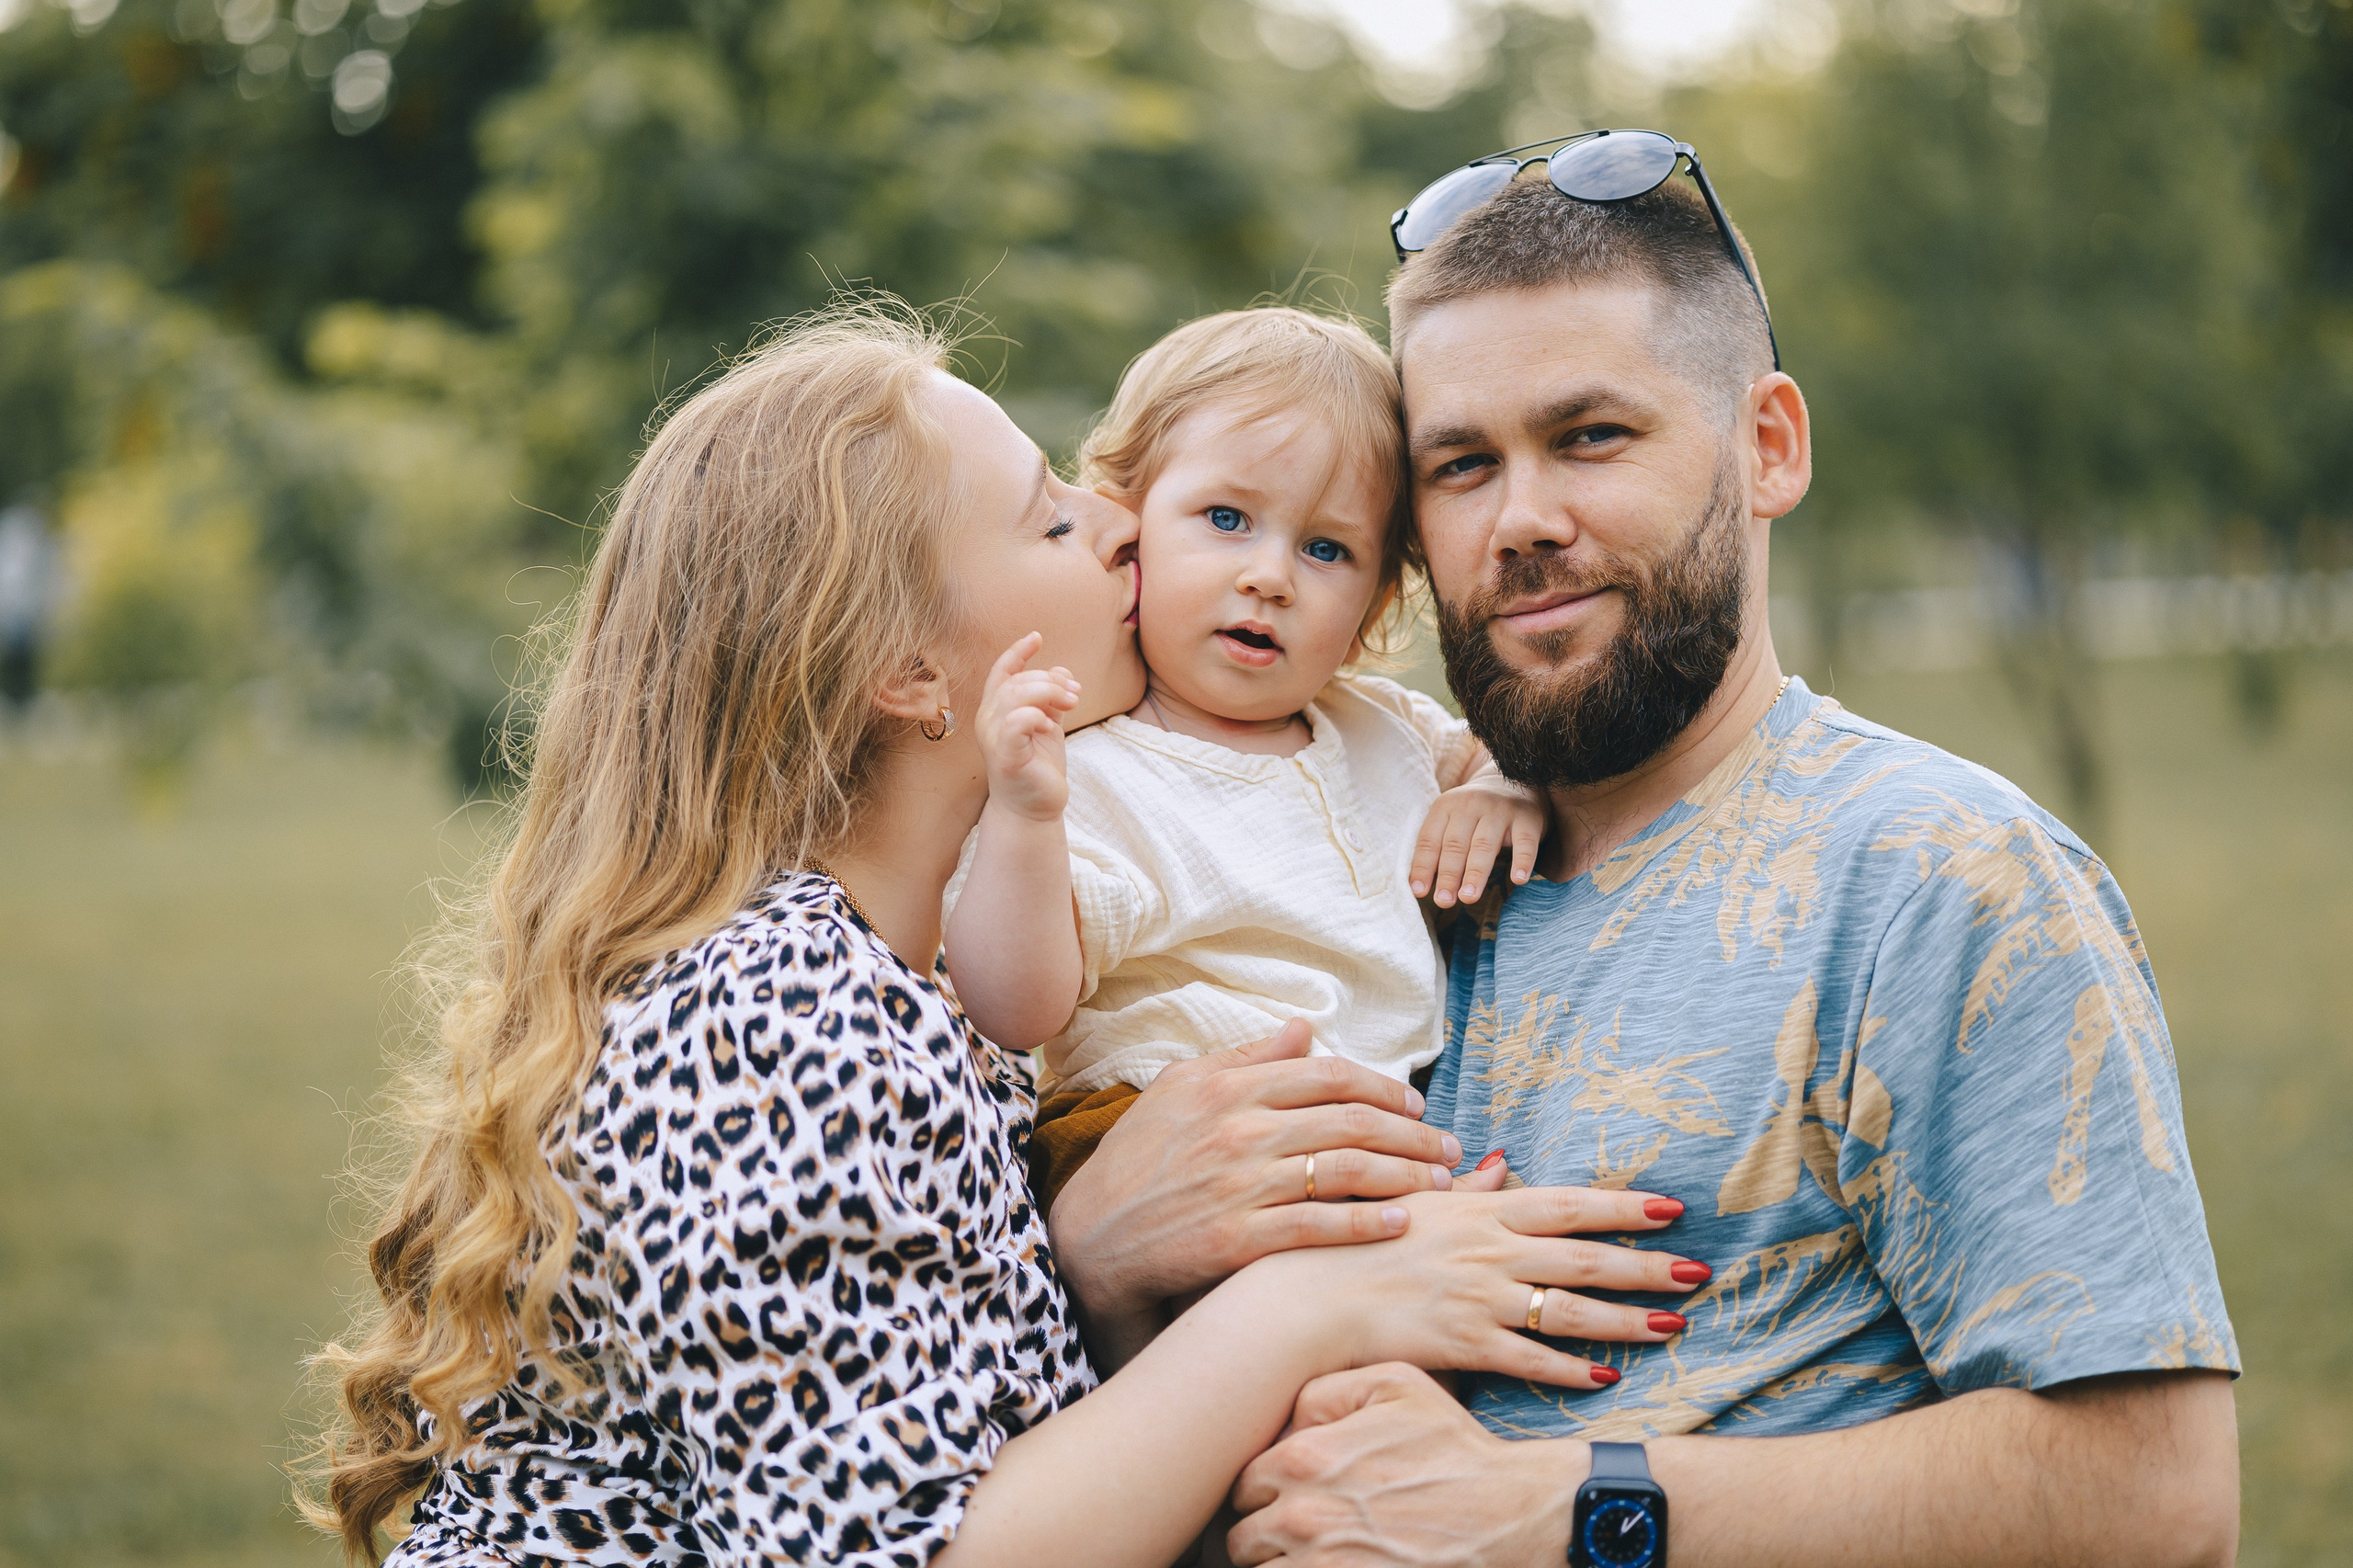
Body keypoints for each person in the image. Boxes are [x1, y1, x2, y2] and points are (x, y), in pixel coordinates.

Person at [304, 300, 1713, 1567]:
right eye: (1052, 519)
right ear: (913, 673)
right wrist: (1320, 1305)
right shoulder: (780, 1006)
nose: (1121, 530)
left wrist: (1097, 1255)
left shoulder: (921, 981)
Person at [1225, 143, 2240, 1566]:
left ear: (1769, 446)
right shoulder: (1350, 870)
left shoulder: (1935, 878)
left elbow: (2154, 1493)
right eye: (1463, 463)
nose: (1521, 520)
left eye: (1590, 436)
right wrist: (1103, 1232)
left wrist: (1561, 1508)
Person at [944, 307, 1546, 1208]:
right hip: (1150, 1127)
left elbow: (1496, 759)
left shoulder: (1382, 726)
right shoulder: (1091, 766)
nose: (1271, 574)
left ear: (1370, 608)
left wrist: (1500, 783)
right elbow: (1013, 1005)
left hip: (1370, 1130)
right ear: (1127, 522)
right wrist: (1024, 815)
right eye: (1226, 517)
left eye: (1325, 548)